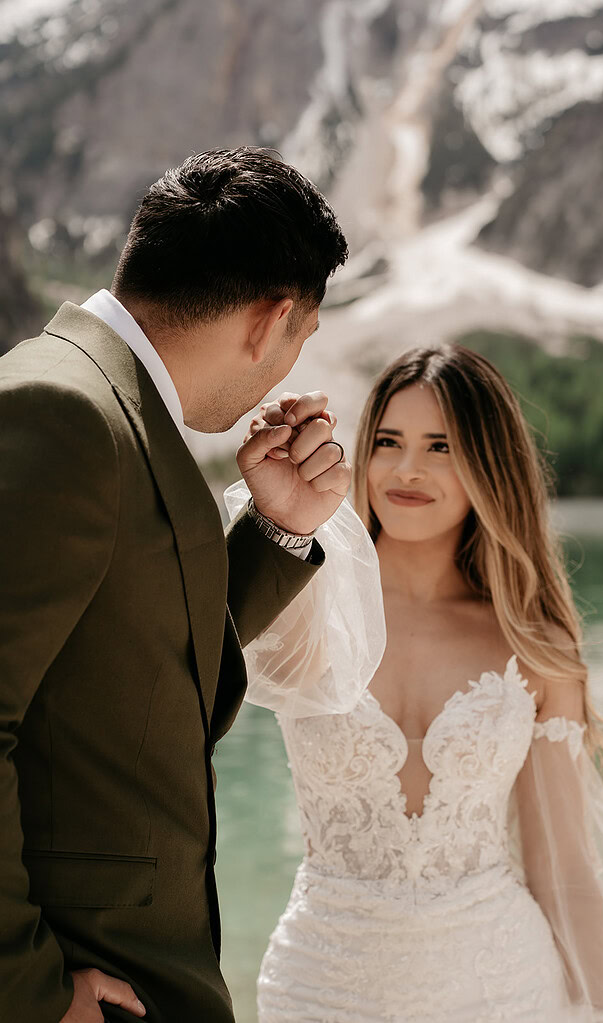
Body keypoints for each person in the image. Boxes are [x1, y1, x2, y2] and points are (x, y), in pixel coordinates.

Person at [0, 147, 355, 1023]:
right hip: (83, 980)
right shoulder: (64, 411)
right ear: (273, 320)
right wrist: (29, 991)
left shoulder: (116, 409)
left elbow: (144, 679)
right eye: (302, 339)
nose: (285, 367)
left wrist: (276, 528)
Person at [229, 345, 603, 1022]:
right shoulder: (306, 607)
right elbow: (206, 658)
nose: (407, 469)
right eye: (389, 442)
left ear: (488, 466)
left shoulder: (534, 647)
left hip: (503, 990)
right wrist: (278, 518)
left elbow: (564, 866)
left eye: (440, 446)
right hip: (321, 988)